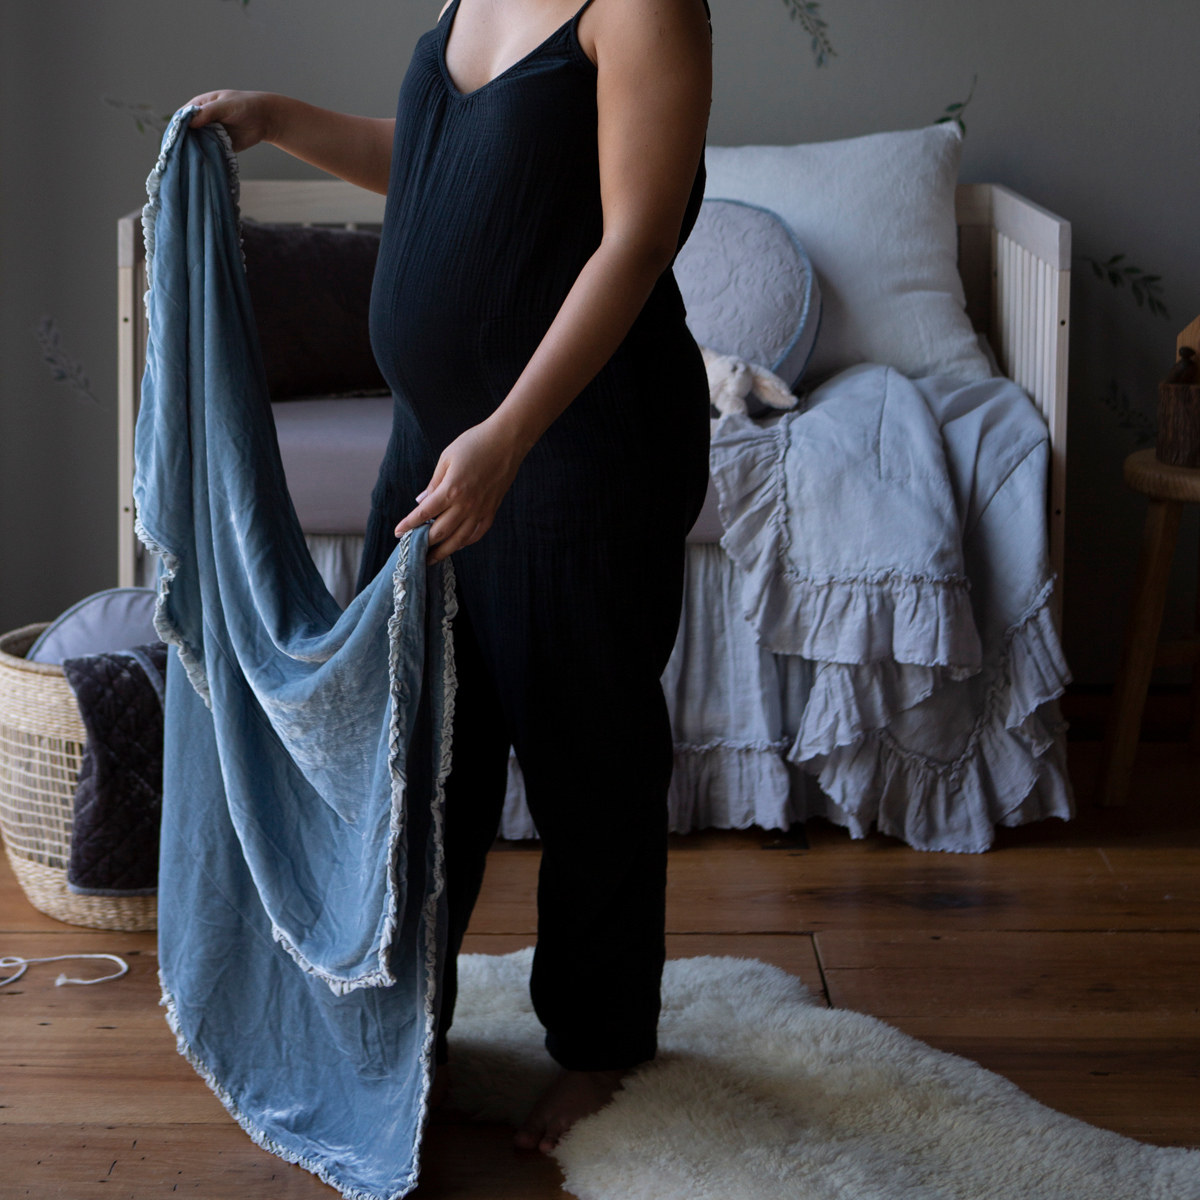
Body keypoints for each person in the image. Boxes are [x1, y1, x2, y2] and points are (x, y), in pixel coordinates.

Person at [186, 0, 713, 1155]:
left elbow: (637, 239)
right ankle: (404, 1025)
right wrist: (274, 118)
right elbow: (425, 160)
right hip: (434, 440)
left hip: (577, 443)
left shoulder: (644, 10)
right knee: (419, 748)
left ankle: (602, 1049)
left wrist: (511, 432)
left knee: (588, 756)